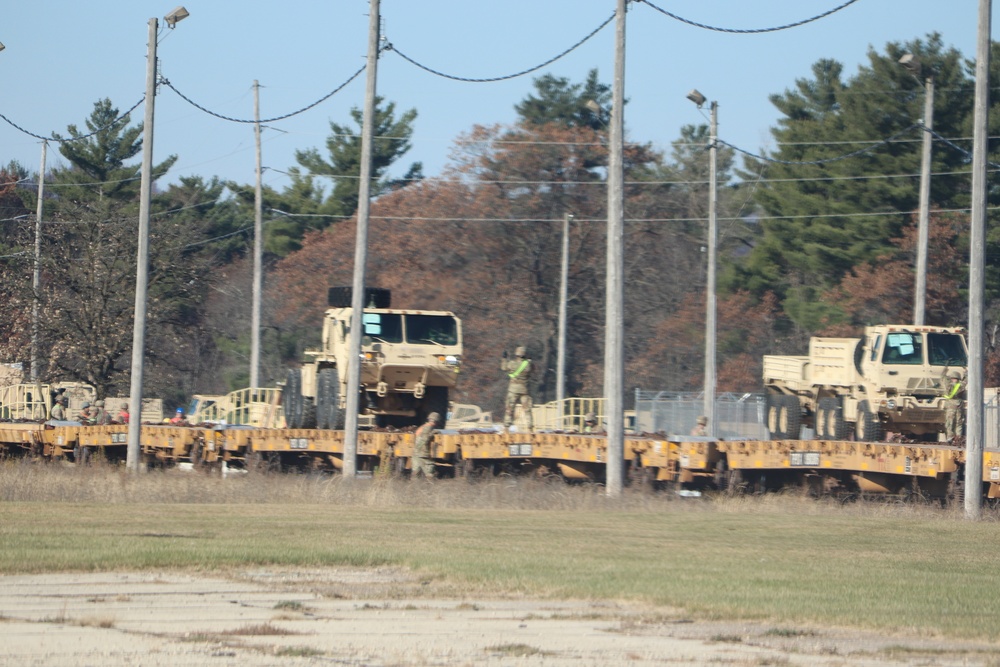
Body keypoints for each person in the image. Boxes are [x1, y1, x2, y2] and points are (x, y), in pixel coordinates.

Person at [501, 345, 534, 432]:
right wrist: (530, 360)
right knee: (527, 409)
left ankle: (506, 427)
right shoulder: (528, 365)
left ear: (516, 354)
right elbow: (532, 369)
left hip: (513, 389)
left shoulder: (512, 363)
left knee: (509, 409)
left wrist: (504, 358)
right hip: (524, 389)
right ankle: (530, 427)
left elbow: (504, 367)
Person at [411, 412, 438, 478]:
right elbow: (425, 439)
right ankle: (430, 485)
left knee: (415, 471)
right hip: (422, 452)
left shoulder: (423, 426)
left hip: (416, 452)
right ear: (435, 421)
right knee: (430, 468)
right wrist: (432, 433)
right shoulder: (428, 427)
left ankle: (413, 486)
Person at [944, 369, 966, 440]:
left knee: (951, 423)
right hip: (958, 406)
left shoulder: (948, 385)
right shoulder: (961, 385)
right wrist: (966, 373)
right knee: (958, 423)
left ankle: (951, 438)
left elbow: (943, 377)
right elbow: (966, 380)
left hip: (951, 406)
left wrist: (945, 370)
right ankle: (958, 438)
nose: (954, 380)